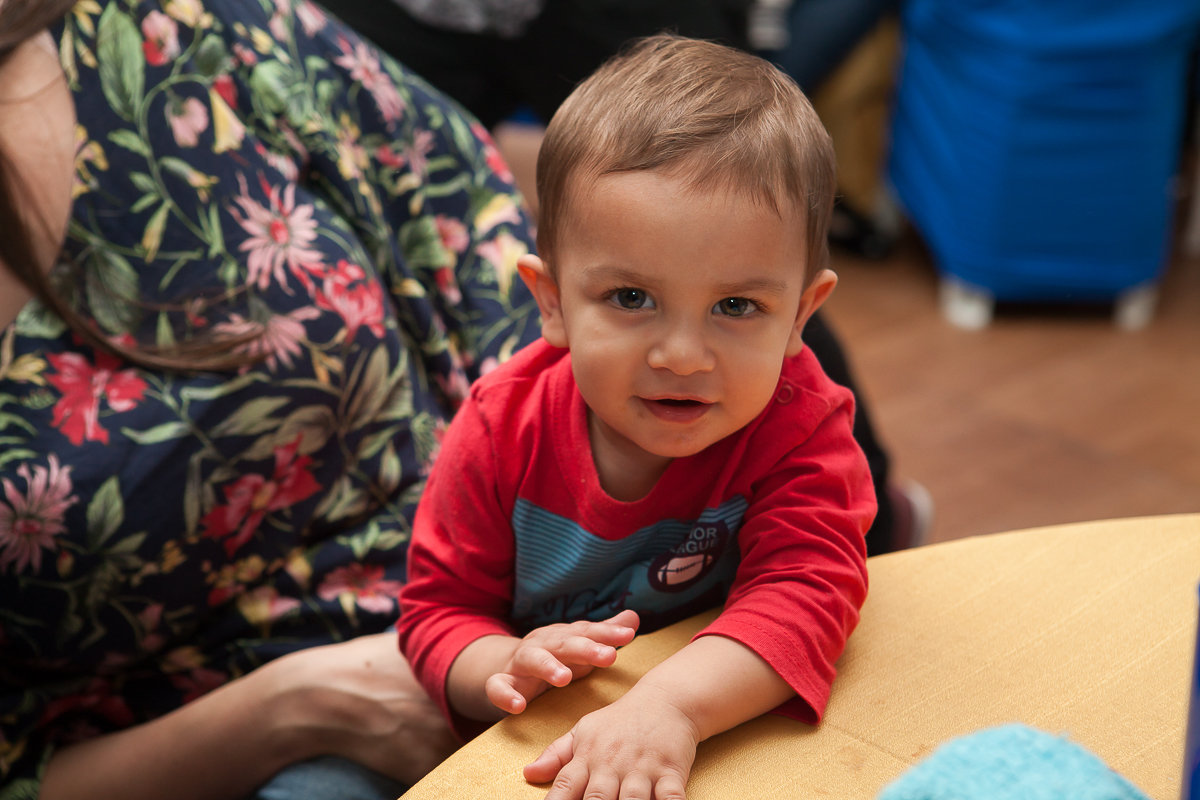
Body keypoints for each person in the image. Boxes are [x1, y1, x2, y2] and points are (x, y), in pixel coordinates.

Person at [0, 0, 541, 797]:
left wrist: (567, 541)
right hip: (244, 753)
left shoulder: (159, 25)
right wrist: (299, 709)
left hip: (537, 569)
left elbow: (476, 238)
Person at [397, 35, 874, 800]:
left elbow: (807, 588)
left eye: (736, 306)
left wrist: (670, 707)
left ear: (801, 316)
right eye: (630, 298)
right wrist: (500, 665)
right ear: (551, 301)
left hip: (715, 721)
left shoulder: (801, 419)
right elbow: (435, 613)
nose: (683, 355)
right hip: (530, 738)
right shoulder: (499, 426)